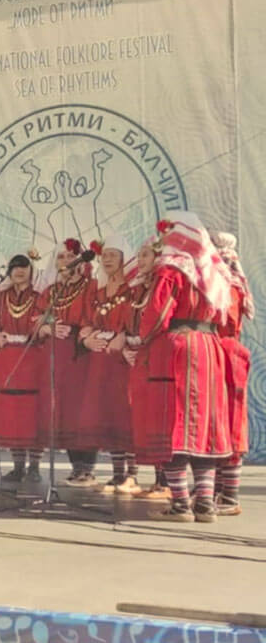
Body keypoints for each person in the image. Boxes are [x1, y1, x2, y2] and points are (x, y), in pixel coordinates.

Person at [136, 216, 233, 523]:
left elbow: (158, 313)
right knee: (205, 424)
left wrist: (142, 339)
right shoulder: (216, 270)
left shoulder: (172, 270)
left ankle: (180, 504)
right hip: (210, 348)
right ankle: (205, 503)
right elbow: (228, 318)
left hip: (179, 347)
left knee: (173, 421)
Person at [71, 236, 138, 491]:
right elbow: (86, 321)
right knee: (106, 415)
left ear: (124, 259)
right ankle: (117, 474)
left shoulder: (132, 290)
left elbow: (137, 320)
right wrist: (86, 339)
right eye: (105, 255)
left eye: (113, 255)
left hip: (122, 361)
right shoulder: (98, 292)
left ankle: (132, 474)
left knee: (125, 414)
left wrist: (124, 337)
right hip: (99, 362)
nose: (107, 259)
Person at [35, 239, 96, 484]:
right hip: (55, 356)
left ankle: (88, 468)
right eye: (61, 257)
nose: (66, 261)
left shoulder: (91, 287)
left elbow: (96, 316)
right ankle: (76, 467)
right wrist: (47, 327)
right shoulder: (52, 291)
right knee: (64, 411)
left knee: (81, 410)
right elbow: (37, 317)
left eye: (71, 256)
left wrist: (84, 332)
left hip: (80, 354)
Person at [123, 239, 171, 500]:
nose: (140, 260)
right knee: (143, 418)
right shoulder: (140, 288)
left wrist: (139, 342)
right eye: (139, 255)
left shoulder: (163, 285)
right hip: (139, 359)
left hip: (157, 357)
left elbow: (158, 320)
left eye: (145, 255)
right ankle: (156, 479)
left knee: (159, 417)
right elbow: (126, 322)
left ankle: (166, 482)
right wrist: (126, 346)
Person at [0, 252, 45, 482]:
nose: (19, 271)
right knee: (12, 412)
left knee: (30, 413)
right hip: (7, 359)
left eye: (24, 267)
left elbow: (43, 324)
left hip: (31, 358)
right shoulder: (1, 297)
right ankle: (17, 466)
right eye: (15, 267)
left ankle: (34, 466)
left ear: (31, 272)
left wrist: (37, 331)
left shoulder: (39, 297)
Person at [211, 231, 253, 516]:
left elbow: (223, 321)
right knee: (218, 424)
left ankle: (229, 495)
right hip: (223, 353)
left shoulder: (227, 288)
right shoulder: (232, 285)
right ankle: (216, 490)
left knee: (229, 422)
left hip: (225, 355)